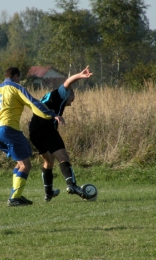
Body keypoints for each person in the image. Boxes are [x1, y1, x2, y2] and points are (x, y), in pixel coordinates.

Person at [0, 67, 64, 207]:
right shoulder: (16, 88)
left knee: (20, 163)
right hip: (9, 129)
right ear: (15, 76)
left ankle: (16, 195)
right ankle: (14, 198)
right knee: (26, 165)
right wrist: (52, 114)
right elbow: (34, 103)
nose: (19, 80)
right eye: (19, 78)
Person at [28, 66, 93, 202]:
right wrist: (80, 76)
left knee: (48, 161)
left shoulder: (48, 96)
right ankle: (72, 185)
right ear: (68, 94)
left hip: (34, 129)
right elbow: (68, 82)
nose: (71, 103)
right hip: (47, 128)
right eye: (72, 99)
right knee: (63, 157)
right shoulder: (61, 93)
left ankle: (48, 193)